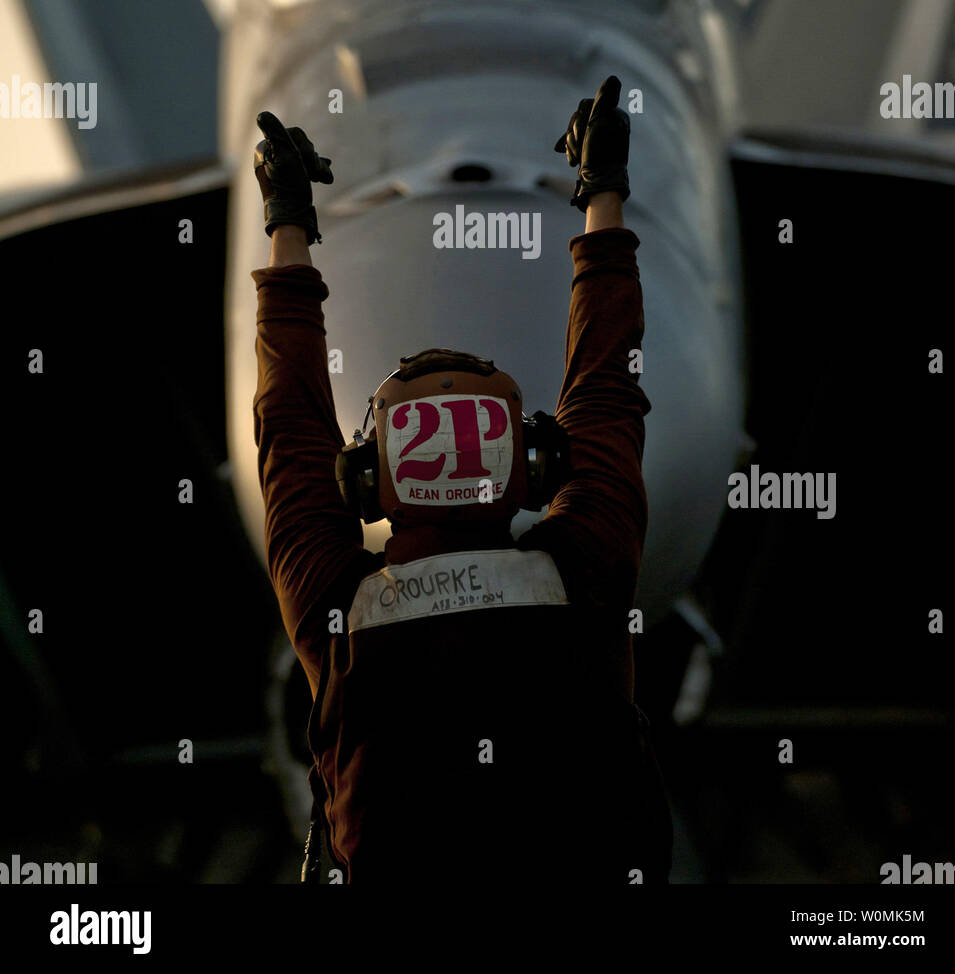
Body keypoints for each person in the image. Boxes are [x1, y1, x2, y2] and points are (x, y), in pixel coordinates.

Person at [251, 76, 672, 886]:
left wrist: (288, 226)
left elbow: (290, 428)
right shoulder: (583, 572)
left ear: (369, 479)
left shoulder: (335, 610)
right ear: (533, 466)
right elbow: (609, 392)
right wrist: (602, 200)